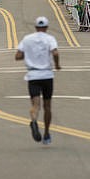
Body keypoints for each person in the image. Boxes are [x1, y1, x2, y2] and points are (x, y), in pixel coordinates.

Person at [14, 16, 61, 145]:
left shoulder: (27, 39)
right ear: (46, 27)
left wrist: (28, 54)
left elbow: (18, 56)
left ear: (35, 27)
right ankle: (46, 133)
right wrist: (57, 65)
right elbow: (55, 53)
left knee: (35, 105)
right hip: (46, 75)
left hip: (33, 75)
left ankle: (34, 120)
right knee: (47, 106)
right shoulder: (49, 39)